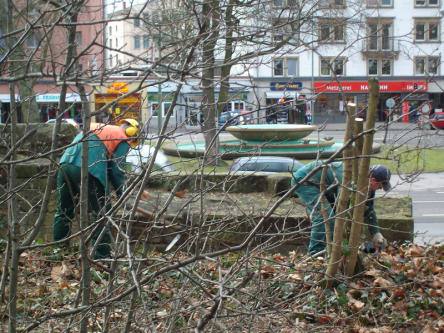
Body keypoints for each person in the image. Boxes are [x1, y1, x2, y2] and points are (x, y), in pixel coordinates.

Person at [53, 118, 140, 259]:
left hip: (65, 164)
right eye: (133, 141)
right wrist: (123, 195)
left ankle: (59, 251)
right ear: (132, 132)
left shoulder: (100, 127)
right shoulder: (122, 137)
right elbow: (116, 171)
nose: (130, 145)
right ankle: (102, 256)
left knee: (64, 210)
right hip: (89, 168)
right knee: (102, 213)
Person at [291, 161, 391, 255]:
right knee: (326, 217)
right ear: (373, 180)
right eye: (380, 186)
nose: (380, 189)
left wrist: (376, 233)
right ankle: (315, 254)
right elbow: (344, 209)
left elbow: (369, 211)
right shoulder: (351, 181)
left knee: (336, 219)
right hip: (306, 180)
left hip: (328, 187)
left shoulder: (369, 187)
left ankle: (333, 251)